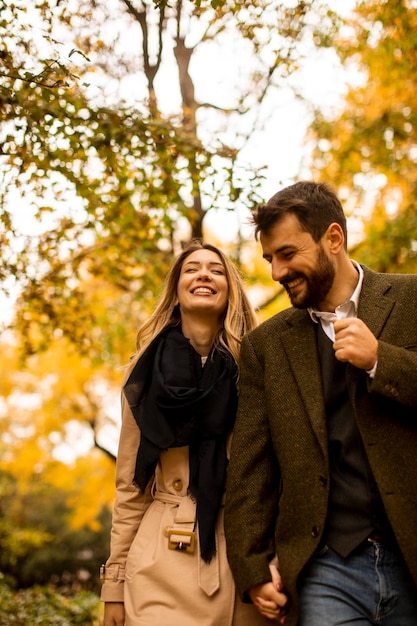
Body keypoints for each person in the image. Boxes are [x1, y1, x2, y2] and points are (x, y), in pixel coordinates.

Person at [224, 181, 417, 626]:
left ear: (333, 238)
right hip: (327, 569)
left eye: (287, 254)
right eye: (270, 258)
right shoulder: (264, 347)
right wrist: (253, 569)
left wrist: (380, 361)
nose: (275, 272)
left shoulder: (411, 301)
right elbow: (250, 471)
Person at [100, 239, 270, 626]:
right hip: (161, 560)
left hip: (246, 556)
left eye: (216, 268)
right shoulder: (143, 374)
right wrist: (114, 586)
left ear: (230, 290)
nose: (204, 274)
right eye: (191, 269)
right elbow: (129, 486)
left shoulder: (258, 365)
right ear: (176, 293)